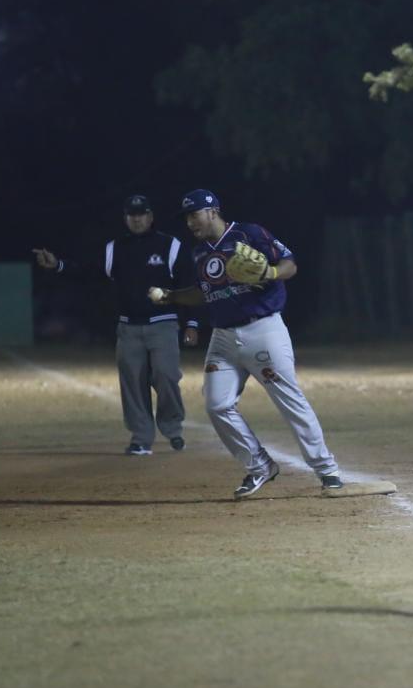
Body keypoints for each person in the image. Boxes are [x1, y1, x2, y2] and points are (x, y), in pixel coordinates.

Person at [146, 189, 343, 498]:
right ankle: (259, 465)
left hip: (263, 330)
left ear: (212, 211)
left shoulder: (248, 233)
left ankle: (327, 470)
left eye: (194, 214)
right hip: (223, 338)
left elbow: (290, 264)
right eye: (186, 217)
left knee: (289, 400)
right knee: (217, 404)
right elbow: (202, 292)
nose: (189, 222)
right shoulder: (199, 252)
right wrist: (171, 296)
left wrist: (271, 272)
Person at [33, 195, 199, 456]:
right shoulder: (115, 248)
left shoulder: (170, 246)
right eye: (132, 215)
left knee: (166, 376)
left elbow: (188, 285)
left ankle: (172, 427)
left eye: (141, 214)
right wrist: (58, 265)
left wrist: (192, 323)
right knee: (133, 383)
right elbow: (88, 272)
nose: (137, 219)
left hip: (163, 325)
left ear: (150, 216)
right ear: (125, 218)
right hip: (128, 328)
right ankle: (141, 437)